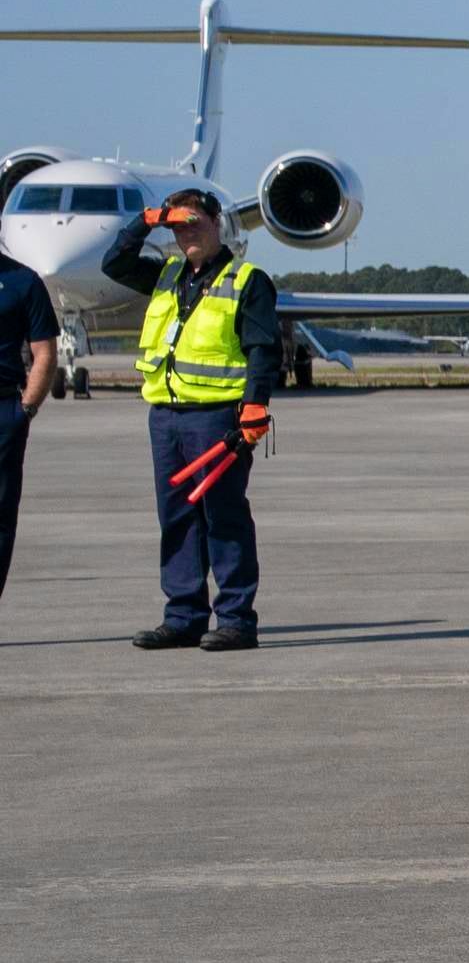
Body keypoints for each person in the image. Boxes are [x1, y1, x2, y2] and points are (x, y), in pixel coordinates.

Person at [104, 187, 280, 650]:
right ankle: (184, 616)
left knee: (224, 516)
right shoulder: (166, 275)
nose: (188, 234)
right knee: (177, 517)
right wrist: (146, 222)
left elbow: (263, 349)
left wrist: (255, 406)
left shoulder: (247, 280)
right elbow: (114, 264)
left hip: (217, 419)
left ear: (216, 223)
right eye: (179, 227)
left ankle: (236, 619)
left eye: (195, 223)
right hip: (166, 417)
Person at [0, 244, 53, 602]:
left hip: (4, 410)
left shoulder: (24, 282)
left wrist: (26, 409)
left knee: (1, 517)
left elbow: (43, 351)